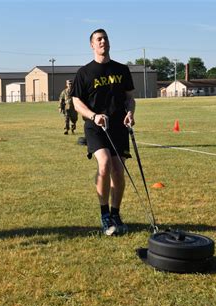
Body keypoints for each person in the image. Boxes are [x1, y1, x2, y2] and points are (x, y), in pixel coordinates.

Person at [71, 29, 136, 236]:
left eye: (105, 38)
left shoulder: (122, 69)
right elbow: (76, 102)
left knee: (118, 170)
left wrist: (130, 113)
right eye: (98, 39)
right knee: (105, 162)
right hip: (96, 126)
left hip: (118, 126)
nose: (103, 42)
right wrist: (93, 115)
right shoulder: (84, 73)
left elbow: (130, 98)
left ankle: (116, 213)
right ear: (92, 45)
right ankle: (104, 213)